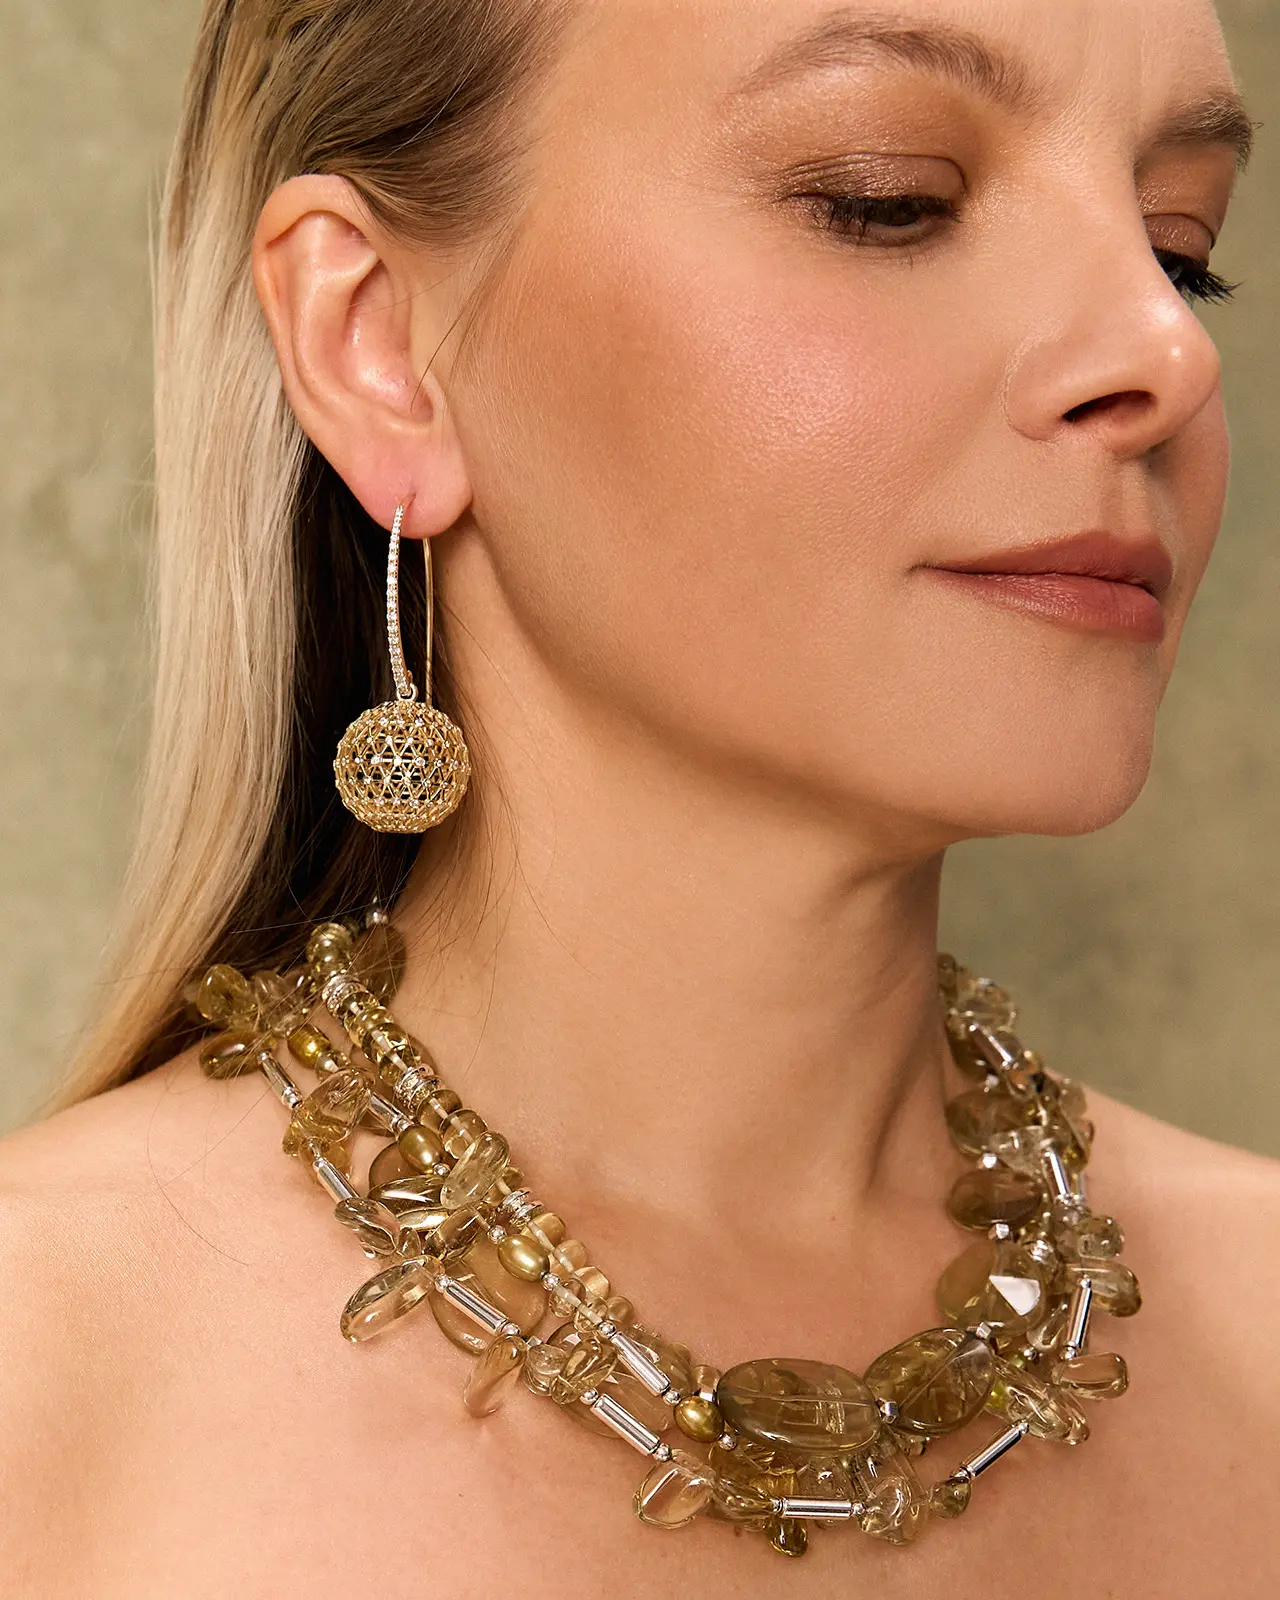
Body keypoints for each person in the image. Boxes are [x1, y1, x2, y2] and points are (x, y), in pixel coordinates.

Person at [1, 0, 1277, 1591]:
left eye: (1179, 246)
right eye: (886, 202)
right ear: (375, 347)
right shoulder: (45, 1392)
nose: (1166, 351)